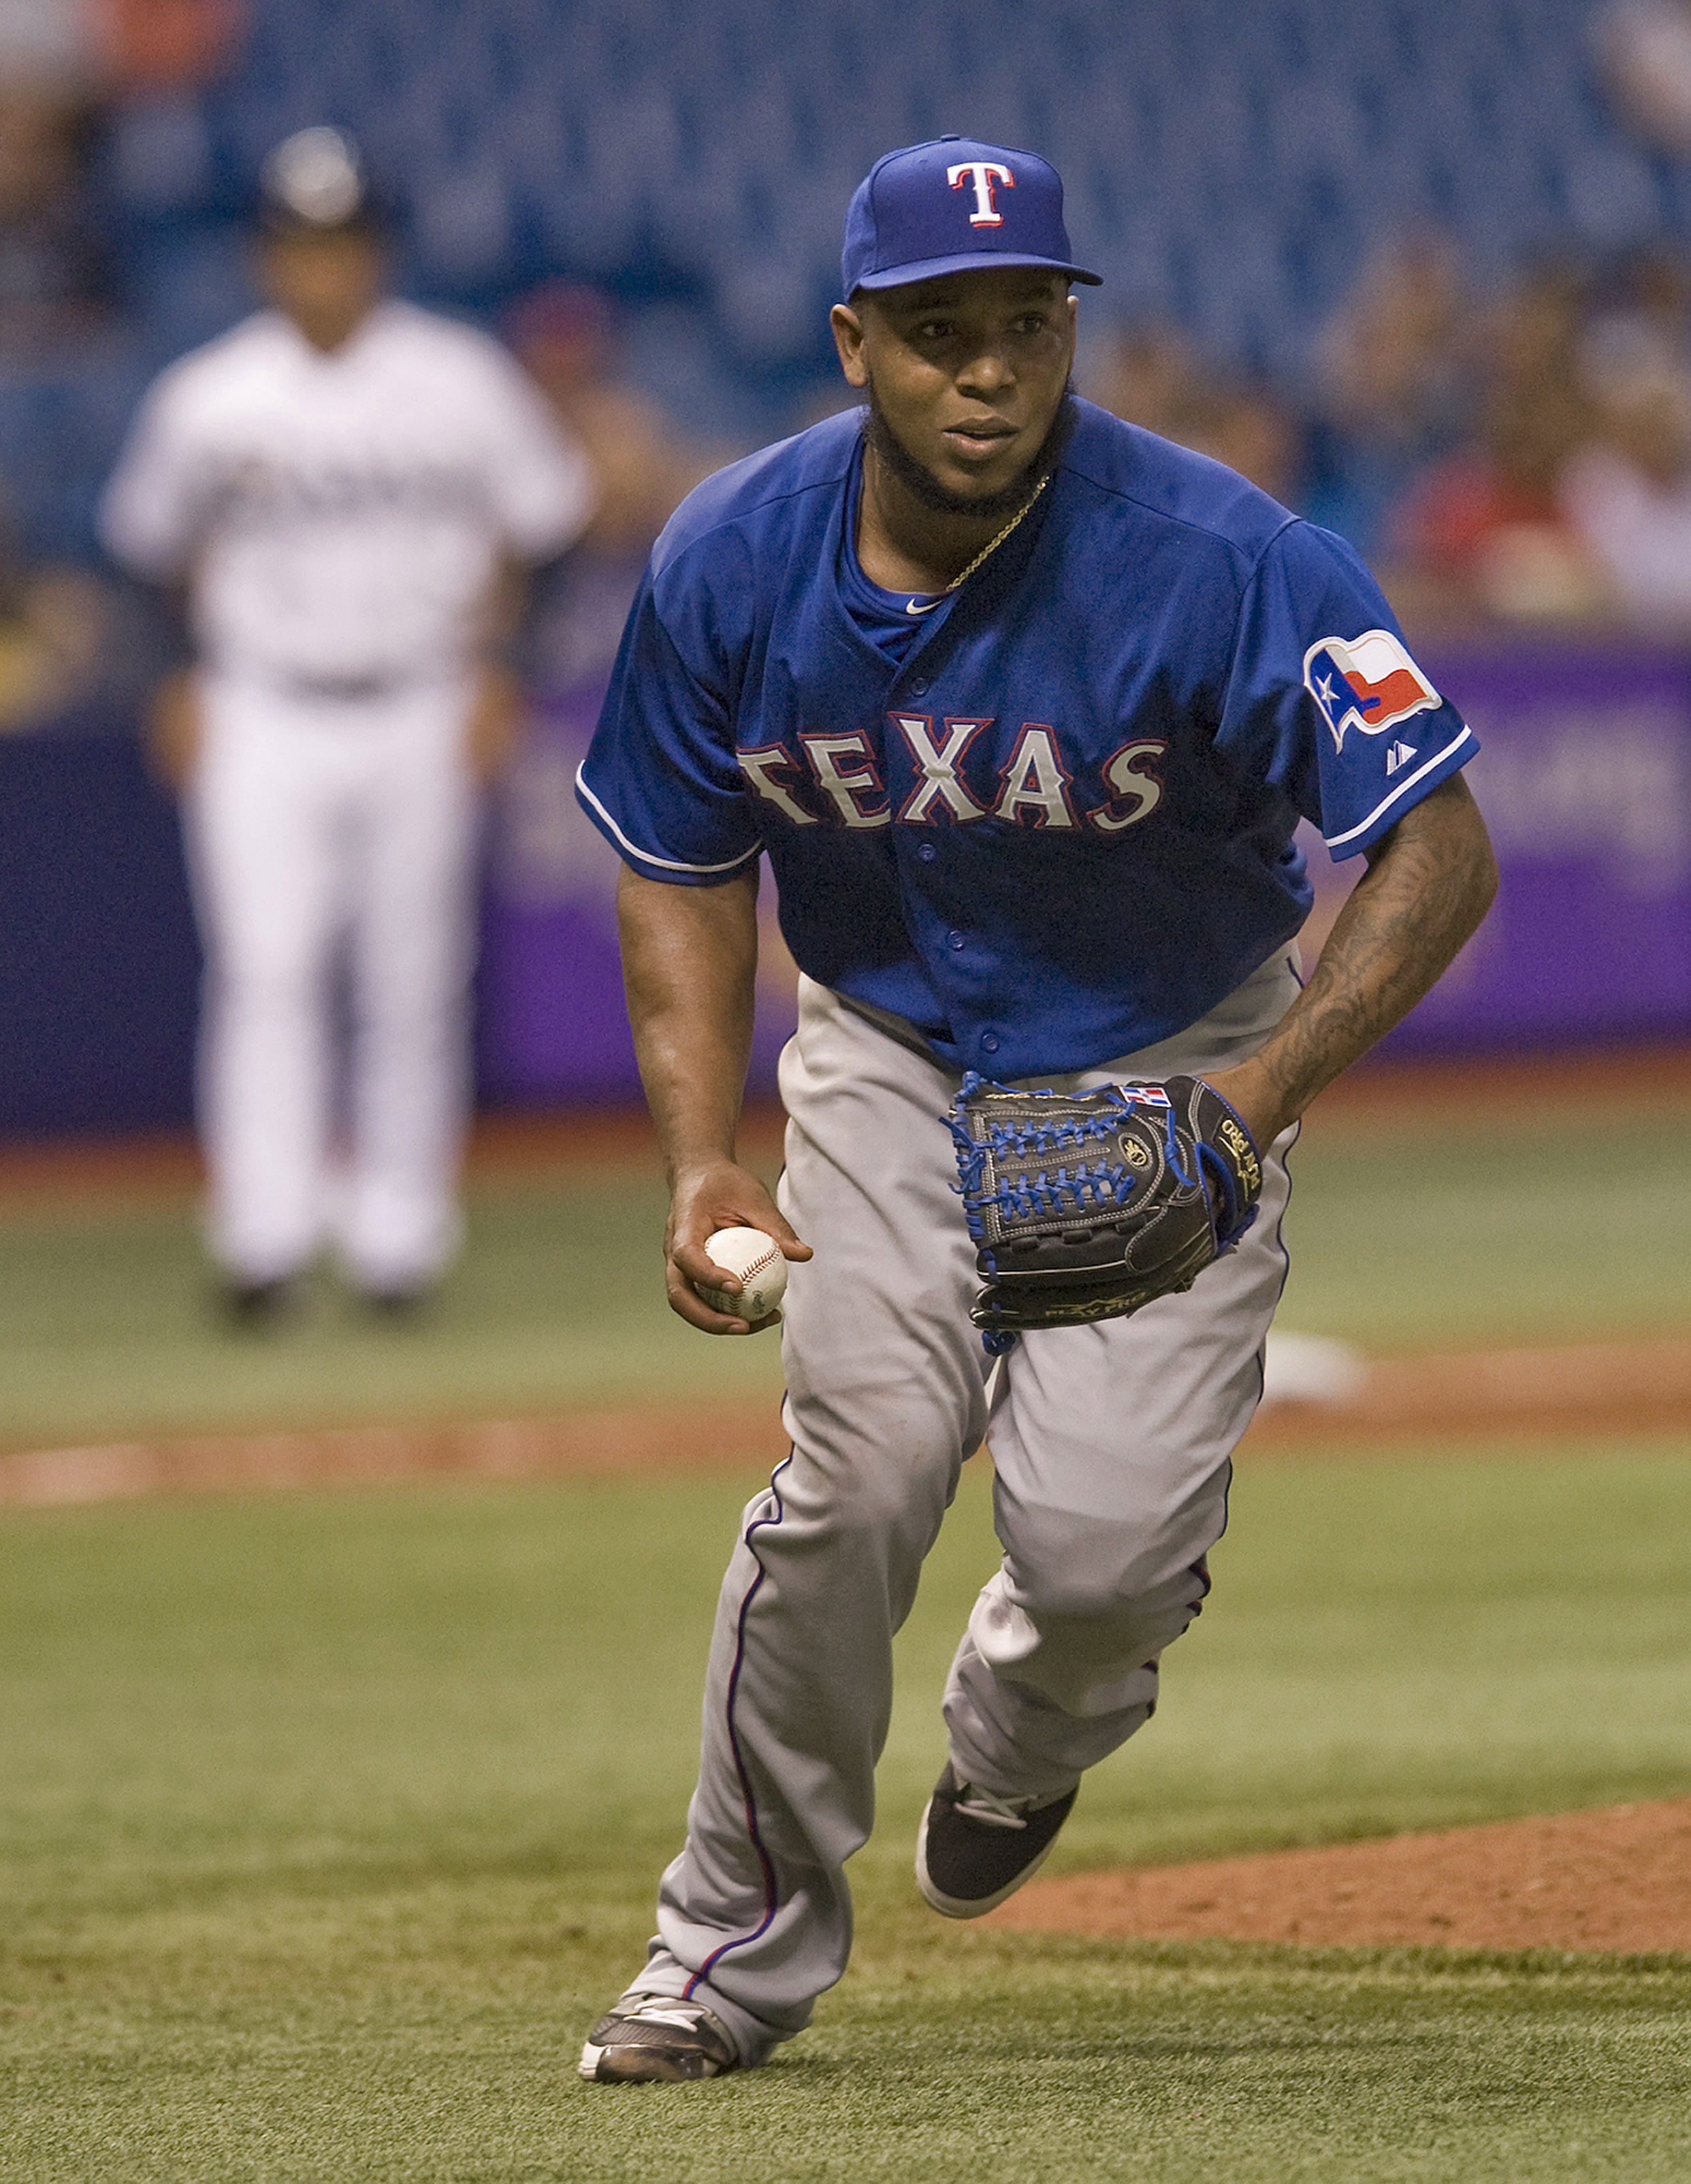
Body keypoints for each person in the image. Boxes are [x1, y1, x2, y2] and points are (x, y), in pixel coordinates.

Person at [573, 135, 1496, 2083]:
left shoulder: (1232, 560)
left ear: (1068, 328)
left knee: (1089, 1562)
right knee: (857, 1477)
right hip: (889, 1054)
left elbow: (1433, 844)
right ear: (851, 345)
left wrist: (1254, 1097)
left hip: (1174, 1056)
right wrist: (698, 1146)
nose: (984, 367)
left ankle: (1024, 1730)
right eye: (935, 333)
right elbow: (674, 855)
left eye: (1022, 322)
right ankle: (724, 1951)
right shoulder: (732, 555)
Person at [99, 127, 593, 1315]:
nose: (322, 267)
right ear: (268, 257)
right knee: (268, 968)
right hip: (261, 701)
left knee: (412, 976)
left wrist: (505, 672)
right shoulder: (213, 394)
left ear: (376, 251)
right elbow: (139, 550)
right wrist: (169, 679)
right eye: (300, 245)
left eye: (342, 243)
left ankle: (397, 1244)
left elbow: (555, 524)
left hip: (422, 695)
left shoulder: (458, 379)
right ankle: (264, 1238)